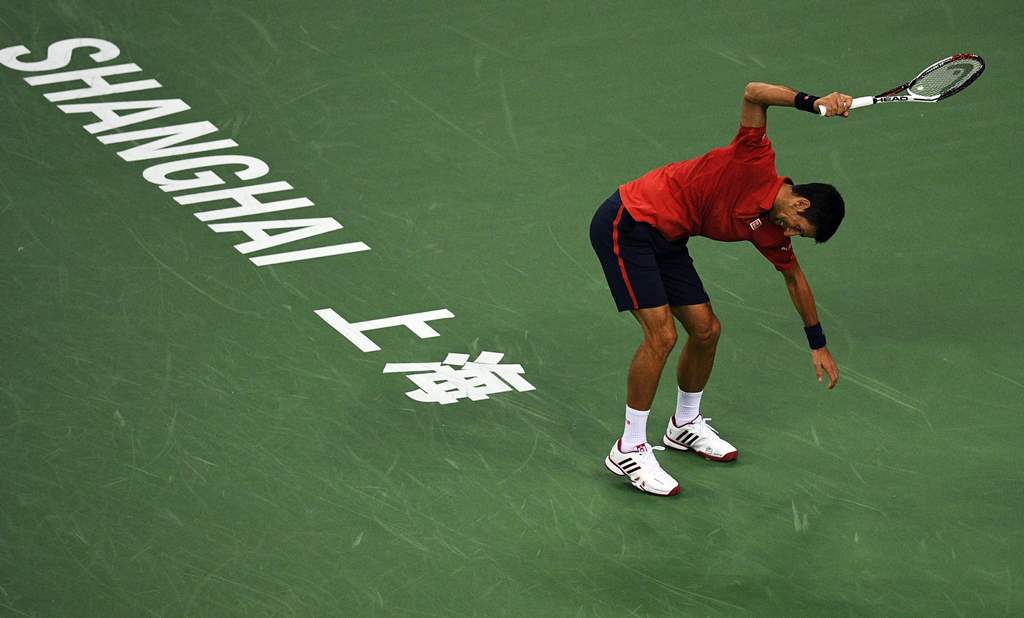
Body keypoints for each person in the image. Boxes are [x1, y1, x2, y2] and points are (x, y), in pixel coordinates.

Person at [590, 83, 850, 496]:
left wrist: (817, 342)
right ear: (800, 204)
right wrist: (813, 102)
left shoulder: (770, 231)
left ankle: (684, 425)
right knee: (662, 336)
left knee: (706, 330)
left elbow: (794, 278)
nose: (790, 234)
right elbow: (754, 93)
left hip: (669, 239)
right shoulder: (754, 158)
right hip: (630, 220)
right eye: (798, 228)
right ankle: (629, 447)